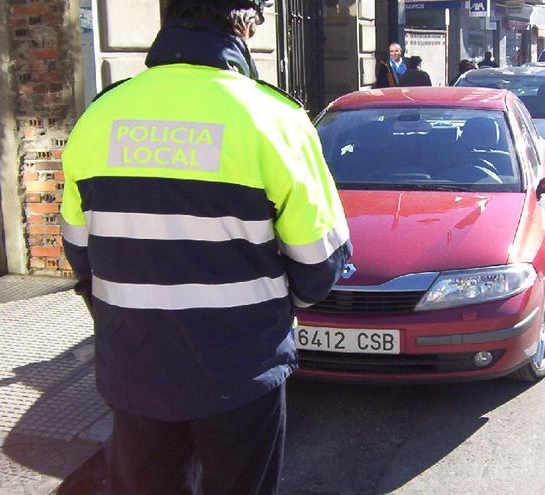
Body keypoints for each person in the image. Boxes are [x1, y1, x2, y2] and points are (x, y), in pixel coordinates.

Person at [60, 1, 352, 493]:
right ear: (242, 22)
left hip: (134, 370)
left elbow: (80, 255)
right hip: (240, 373)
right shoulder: (275, 119)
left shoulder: (99, 115)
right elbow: (319, 266)